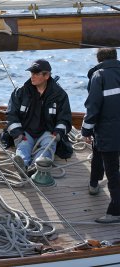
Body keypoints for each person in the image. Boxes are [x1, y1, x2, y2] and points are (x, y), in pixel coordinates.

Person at [7, 59, 72, 175]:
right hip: (26, 131)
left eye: (36, 74)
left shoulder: (60, 95)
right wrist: (18, 133)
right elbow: (11, 115)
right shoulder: (20, 92)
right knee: (23, 145)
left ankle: (35, 166)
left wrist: (58, 132)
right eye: (32, 73)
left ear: (47, 76)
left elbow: (65, 118)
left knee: (48, 146)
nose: (32, 77)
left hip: (48, 132)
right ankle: (22, 164)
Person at [81, 47, 120, 223]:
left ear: (99, 60)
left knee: (112, 172)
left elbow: (93, 106)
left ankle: (116, 212)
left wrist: (86, 130)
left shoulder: (99, 76)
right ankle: (93, 183)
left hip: (108, 133)